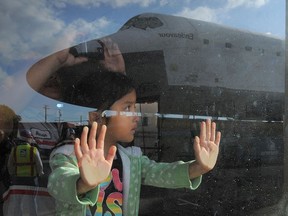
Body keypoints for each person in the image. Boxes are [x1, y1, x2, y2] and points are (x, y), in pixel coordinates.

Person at [46, 70, 221, 215]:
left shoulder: (131, 159)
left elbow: (161, 173)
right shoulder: (68, 155)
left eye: (135, 108)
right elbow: (57, 184)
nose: (136, 116)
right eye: (127, 108)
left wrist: (198, 168)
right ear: (96, 117)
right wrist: (83, 183)